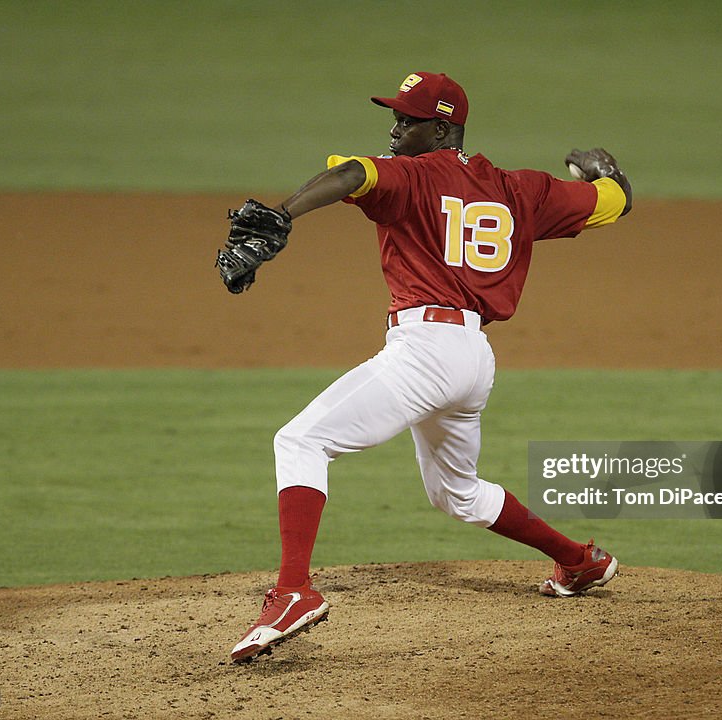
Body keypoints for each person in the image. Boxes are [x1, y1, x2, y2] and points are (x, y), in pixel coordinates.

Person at [231, 71, 632, 662]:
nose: (394, 131)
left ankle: (293, 592)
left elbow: (352, 174)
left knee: (300, 442)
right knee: (457, 493)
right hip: (473, 359)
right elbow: (615, 203)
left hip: (425, 353)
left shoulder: (412, 175)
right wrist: (606, 173)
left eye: (407, 121)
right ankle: (579, 561)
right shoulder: (523, 189)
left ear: (442, 128)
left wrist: (286, 212)